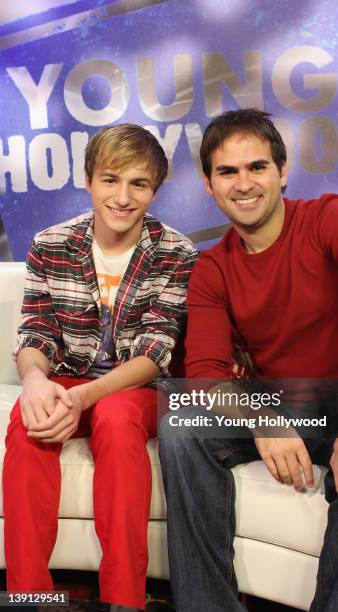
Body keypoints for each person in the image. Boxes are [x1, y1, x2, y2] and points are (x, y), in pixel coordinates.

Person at [158, 108, 338, 612]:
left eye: (257, 167)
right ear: (208, 184)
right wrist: (263, 421)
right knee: (180, 424)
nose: (243, 184)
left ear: (282, 172)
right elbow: (205, 375)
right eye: (228, 172)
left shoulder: (327, 216)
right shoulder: (211, 269)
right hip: (287, 404)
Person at [3, 124, 197, 611]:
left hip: (137, 389)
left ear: (155, 189)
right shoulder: (50, 243)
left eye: (140, 184)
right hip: (67, 377)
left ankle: (125, 600)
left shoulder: (176, 252)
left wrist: (86, 398)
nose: (123, 196)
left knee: (115, 418)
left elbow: (155, 352)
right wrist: (34, 382)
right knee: (29, 424)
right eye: (110, 179)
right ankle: (30, 595)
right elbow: (36, 333)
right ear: (89, 180)